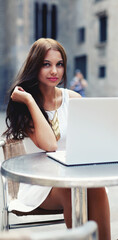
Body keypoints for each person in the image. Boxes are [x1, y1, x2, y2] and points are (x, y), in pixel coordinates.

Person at [3, 38, 111, 240]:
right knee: (72, 189)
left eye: (59, 64)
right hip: (41, 185)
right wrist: (29, 100)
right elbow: (50, 144)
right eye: (47, 64)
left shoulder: (74, 99)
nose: (54, 71)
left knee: (95, 185)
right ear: (35, 66)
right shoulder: (24, 106)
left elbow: (88, 141)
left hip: (75, 176)